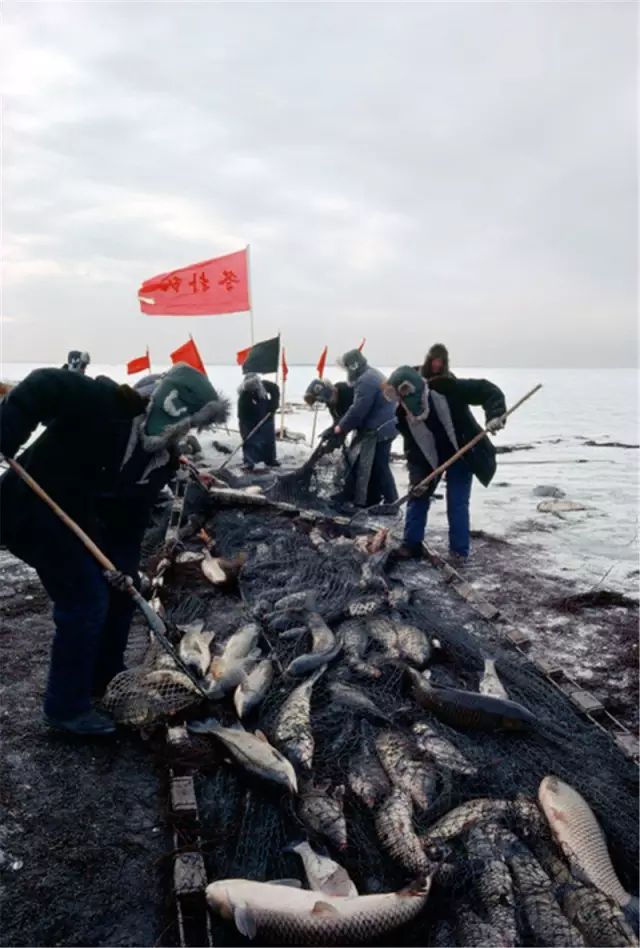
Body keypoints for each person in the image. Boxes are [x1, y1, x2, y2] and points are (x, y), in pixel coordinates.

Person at [0, 363, 229, 736]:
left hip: (82, 523)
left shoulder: (160, 460)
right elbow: (44, 385)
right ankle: (65, 709)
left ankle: (105, 674)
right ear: (170, 406)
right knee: (85, 601)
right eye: (188, 422)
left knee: (122, 593)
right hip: (31, 510)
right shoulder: (105, 404)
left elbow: (130, 518)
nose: (187, 433)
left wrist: (124, 570)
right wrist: (7, 429)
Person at [385, 363, 506, 563]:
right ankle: (411, 544)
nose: (407, 403)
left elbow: (487, 390)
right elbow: (413, 451)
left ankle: (459, 552)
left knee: (457, 501)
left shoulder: (448, 388)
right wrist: (417, 479)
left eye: (408, 394)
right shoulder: (404, 416)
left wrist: (495, 415)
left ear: (418, 387)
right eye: (401, 398)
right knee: (417, 494)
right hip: (429, 457)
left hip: (463, 451)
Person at [332, 349, 398, 508]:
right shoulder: (371, 374)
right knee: (376, 464)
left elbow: (359, 409)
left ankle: (392, 502)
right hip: (388, 425)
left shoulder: (366, 380)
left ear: (353, 366)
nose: (347, 371)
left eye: (347, 367)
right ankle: (373, 499)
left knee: (379, 465)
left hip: (380, 428)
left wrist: (341, 427)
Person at [237, 371, 279, 470]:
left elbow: (275, 389)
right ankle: (249, 461)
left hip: (266, 417)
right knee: (250, 440)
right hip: (248, 420)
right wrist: (251, 422)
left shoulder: (265, 385)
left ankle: (270, 459)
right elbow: (242, 415)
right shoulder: (244, 395)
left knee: (269, 440)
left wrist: (273, 405)